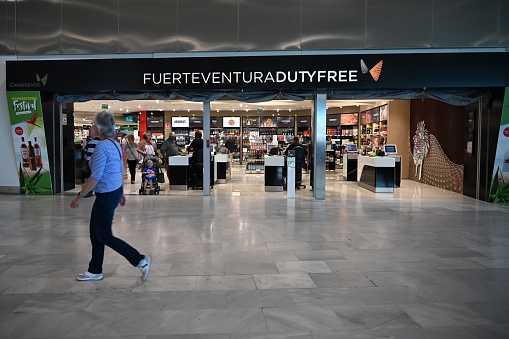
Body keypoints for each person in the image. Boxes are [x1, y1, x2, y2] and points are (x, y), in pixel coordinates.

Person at [70, 111, 151, 282]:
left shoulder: (102, 146)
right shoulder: (113, 144)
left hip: (106, 195)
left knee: (104, 235)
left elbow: (95, 176)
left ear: (99, 127)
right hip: (111, 192)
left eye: (93, 125)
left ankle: (140, 260)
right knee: (95, 233)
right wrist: (120, 191)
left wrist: (80, 196)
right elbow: (118, 170)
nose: (91, 128)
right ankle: (95, 270)